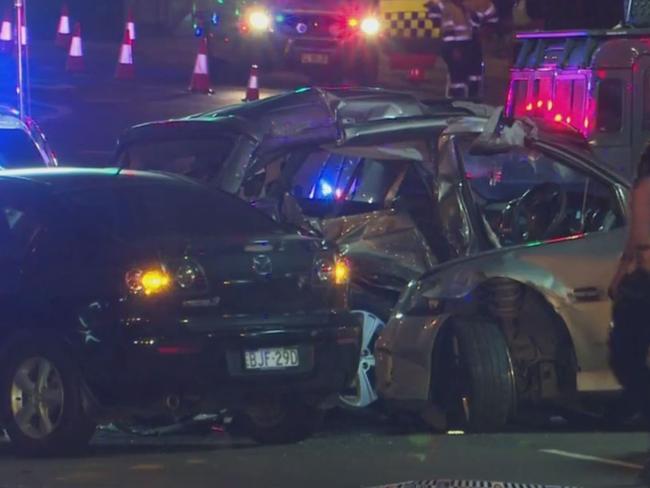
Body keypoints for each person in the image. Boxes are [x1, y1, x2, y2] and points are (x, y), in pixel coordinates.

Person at [609, 145, 650, 422]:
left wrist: (621, 274)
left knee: (626, 350)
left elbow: (638, 237)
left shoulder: (644, 189)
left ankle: (641, 403)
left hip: (646, 279)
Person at [425, 0, 498, 99]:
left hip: (472, 45)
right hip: (454, 45)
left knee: (474, 76)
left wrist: (482, 34)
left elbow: (492, 21)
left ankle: (472, 101)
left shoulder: (482, 3)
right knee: (458, 78)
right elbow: (435, 19)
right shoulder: (445, 5)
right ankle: (458, 103)